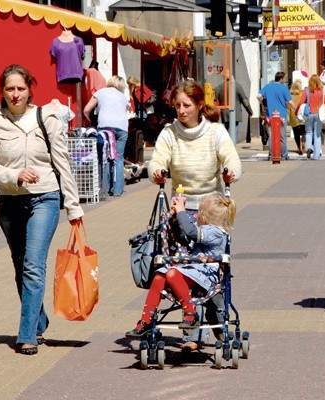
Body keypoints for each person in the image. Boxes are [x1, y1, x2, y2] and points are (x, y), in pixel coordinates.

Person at [0, 64, 84, 355]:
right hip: (10, 202)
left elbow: (62, 163)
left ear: (29, 89)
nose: (15, 94)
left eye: (20, 88)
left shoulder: (45, 117)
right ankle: (37, 319)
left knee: (34, 266)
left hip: (44, 199)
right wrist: (14, 175)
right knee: (20, 265)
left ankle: (27, 336)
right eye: (10, 89)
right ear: (2, 91)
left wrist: (73, 208)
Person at [148, 80, 242, 350]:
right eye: (177, 105)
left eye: (186, 105)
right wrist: (156, 170)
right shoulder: (170, 133)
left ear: (200, 105)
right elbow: (157, 159)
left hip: (210, 210)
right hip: (181, 210)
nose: (181, 110)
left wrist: (231, 171)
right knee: (184, 268)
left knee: (212, 269)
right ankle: (191, 334)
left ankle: (217, 323)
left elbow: (231, 158)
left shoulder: (215, 132)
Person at [125, 194, 236, 338]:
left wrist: (182, 211)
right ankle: (146, 321)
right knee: (159, 276)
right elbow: (183, 235)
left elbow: (191, 232)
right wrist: (175, 217)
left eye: (198, 213)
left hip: (206, 274)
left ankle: (191, 313)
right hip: (192, 270)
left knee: (172, 274)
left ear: (204, 217)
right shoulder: (203, 228)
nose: (195, 215)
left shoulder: (216, 232)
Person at [83, 75, 130, 196]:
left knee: (105, 157)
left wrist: (91, 121)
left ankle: (105, 188)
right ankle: (118, 190)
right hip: (122, 129)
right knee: (119, 159)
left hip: (105, 128)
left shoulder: (101, 92)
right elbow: (127, 110)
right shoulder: (123, 97)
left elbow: (86, 110)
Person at [257, 71, 296, 161]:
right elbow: (290, 101)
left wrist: (263, 102)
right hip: (281, 115)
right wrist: (296, 110)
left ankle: (271, 155)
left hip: (270, 115)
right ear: (281, 79)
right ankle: (284, 154)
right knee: (282, 136)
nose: (285, 80)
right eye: (284, 78)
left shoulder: (267, 87)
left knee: (271, 136)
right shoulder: (284, 88)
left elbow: (258, 96)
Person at [294, 74, 325, 160]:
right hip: (319, 115)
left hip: (309, 114)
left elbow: (301, 102)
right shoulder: (322, 90)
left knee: (308, 132)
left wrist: (296, 111)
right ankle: (316, 155)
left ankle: (309, 147)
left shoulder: (307, 90)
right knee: (317, 134)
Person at [289, 80, 306, 155]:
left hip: (293, 115)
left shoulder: (290, 95)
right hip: (301, 115)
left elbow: (288, 106)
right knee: (303, 132)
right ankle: (303, 144)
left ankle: (298, 147)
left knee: (296, 133)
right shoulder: (302, 94)